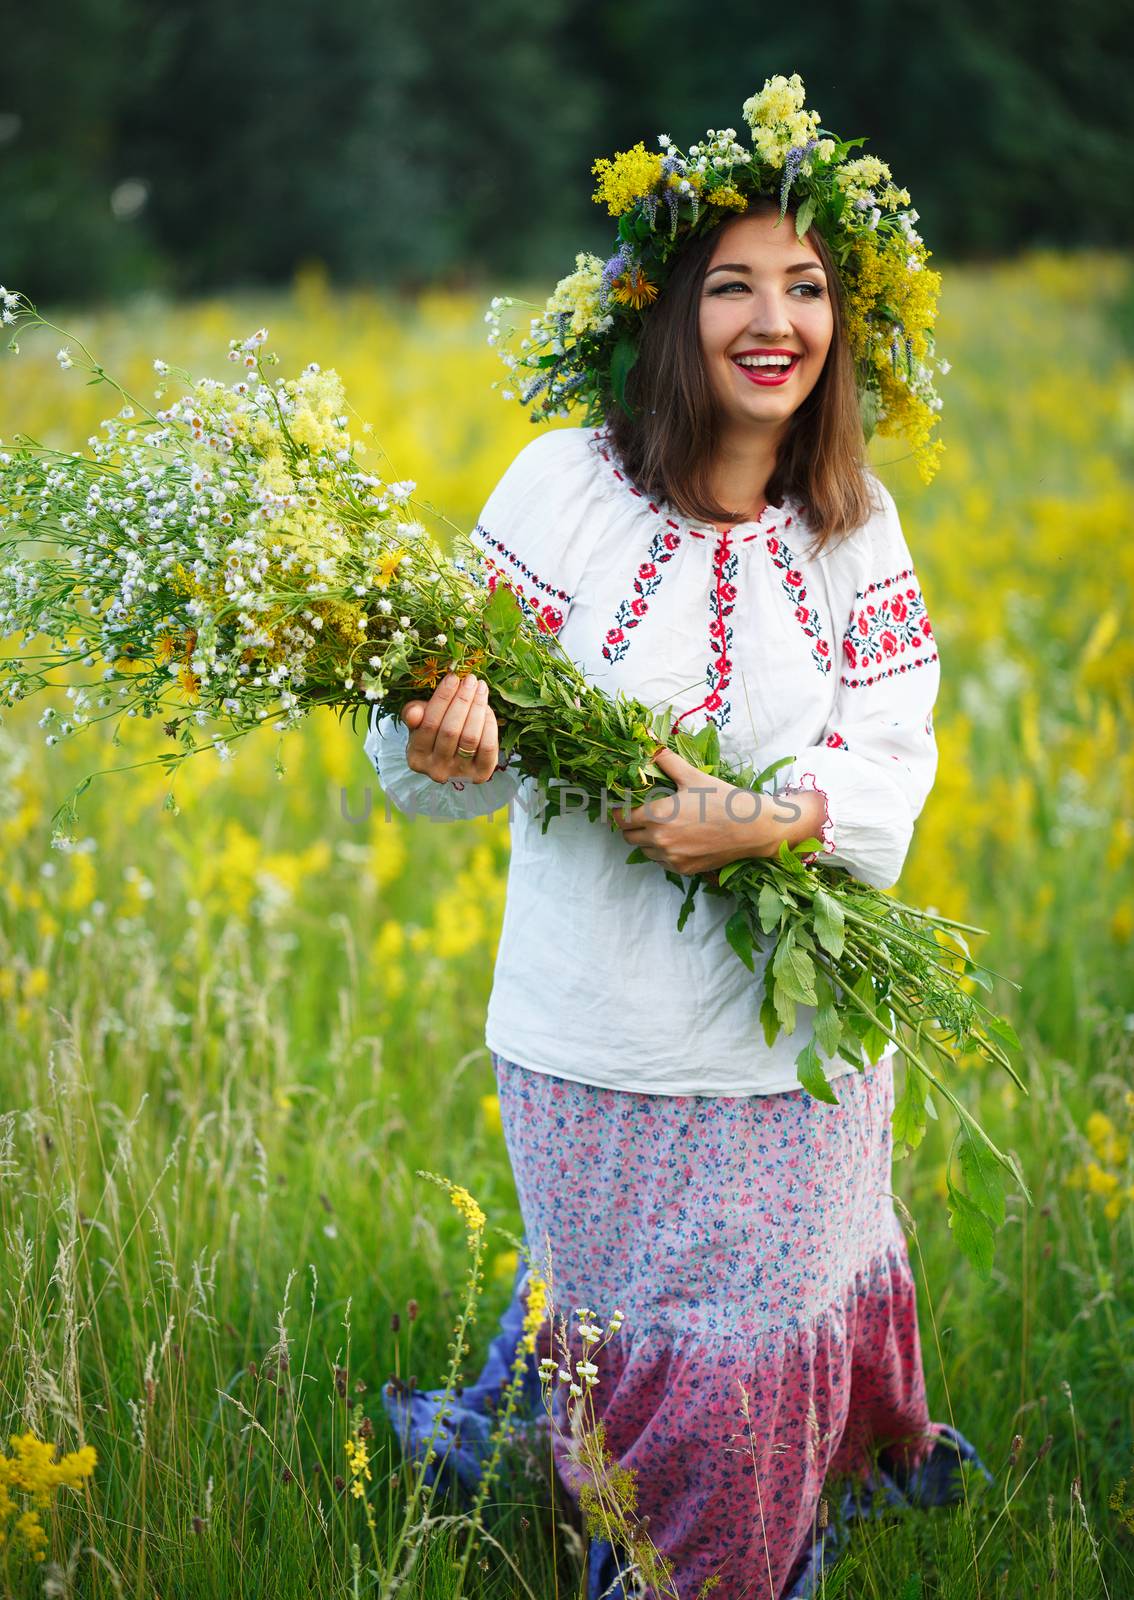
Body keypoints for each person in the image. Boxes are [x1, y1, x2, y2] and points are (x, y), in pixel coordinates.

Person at [365, 88, 989, 1600]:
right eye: (731, 284)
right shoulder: (560, 490)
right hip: (592, 1047)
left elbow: (892, 761)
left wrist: (771, 816)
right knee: (635, 1338)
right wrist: (439, 742)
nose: (774, 321)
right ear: (663, 312)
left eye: (807, 287)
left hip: (796, 1061)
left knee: (750, 1370)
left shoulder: (853, 524)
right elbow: (422, 769)